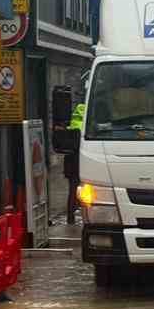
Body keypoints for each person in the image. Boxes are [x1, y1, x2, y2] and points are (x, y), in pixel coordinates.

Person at [64, 94, 85, 224]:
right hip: (83, 163)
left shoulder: (72, 124)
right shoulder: (85, 126)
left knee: (72, 191)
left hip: (71, 164)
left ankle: (70, 218)